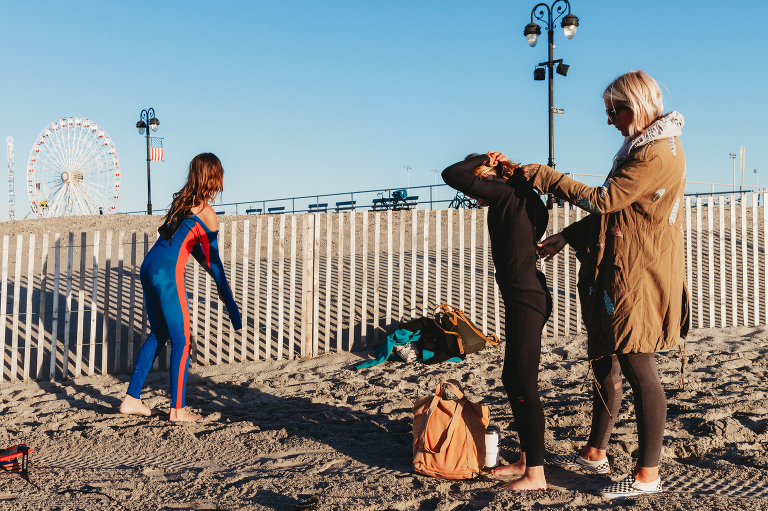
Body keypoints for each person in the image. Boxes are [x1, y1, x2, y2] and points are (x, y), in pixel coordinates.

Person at [518, 70, 690, 498]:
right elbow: (621, 211)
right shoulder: (642, 145)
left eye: (614, 111)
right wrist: (569, 236)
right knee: (606, 362)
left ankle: (648, 474)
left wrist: (543, 174)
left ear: (635, 106)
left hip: (640, 273)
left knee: (637, 366)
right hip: (622, 268)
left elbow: (605, 200)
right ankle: (596, 451)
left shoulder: (656, 153)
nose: (609, 120)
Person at [442, 152, 552, 491]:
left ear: (489, 175)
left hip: (526, 298)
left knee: (521, 381)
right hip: (528, 294)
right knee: (515, 378)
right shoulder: (520, 196)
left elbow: (450, 173)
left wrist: (482, 157)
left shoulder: (506, 194)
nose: (476, 195)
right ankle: (526, 460)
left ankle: (536, 475)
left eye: (478, 183)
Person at [119, 153, 242, 422]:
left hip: (149, 266)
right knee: (182, 341)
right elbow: (214, 261)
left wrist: (216, 281)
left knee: (159, 333)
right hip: (166, 274)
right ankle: (177, 410)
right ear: (214, 177)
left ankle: (131, 399)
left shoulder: (182, 203)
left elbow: (193, 250)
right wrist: (230, 302)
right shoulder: (207, 213)